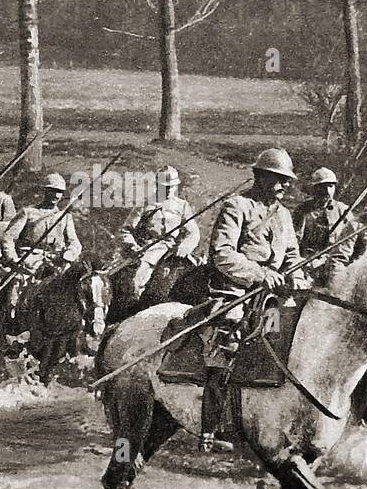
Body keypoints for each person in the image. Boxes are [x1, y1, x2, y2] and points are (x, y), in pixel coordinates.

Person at [200, 148, 304, 453]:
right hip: (234, 292)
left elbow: (293, 255)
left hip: (271, 298)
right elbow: (222, 254)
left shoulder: (284, 215)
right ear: (260, 176)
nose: (285, 185)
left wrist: (296, 276)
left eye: (287, 180)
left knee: (288, 343)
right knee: (227, 346)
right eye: (278, 179)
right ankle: (210, 430)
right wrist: (259, 274)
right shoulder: (237, 206)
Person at [119, 165, 199, 298]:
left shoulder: (182, 206)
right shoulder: (145, 205)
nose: (168, 190)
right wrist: (133, 246)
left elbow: (194, 232)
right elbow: (125, 231)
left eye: (171, 187)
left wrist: (185, 246)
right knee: (138, 282)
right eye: (164, 187)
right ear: (157, 185)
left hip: (173, 251)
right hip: (150, 250)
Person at [0, 173, 82, 275]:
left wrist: (70, 253)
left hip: (56, 262)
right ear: (45, 191)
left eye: (60, 192)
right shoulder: (28, 213)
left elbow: (74, 242)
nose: (56, 195)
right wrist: (13, 259)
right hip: (29, 262)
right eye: (53, 191)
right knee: (18, 284)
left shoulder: (64, 216)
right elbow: (8, 237)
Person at [293, 166, 352, 261]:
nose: (328, 191)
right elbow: (294, 240)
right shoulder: (303, 210)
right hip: (306, 261)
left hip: (334, 260)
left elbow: (350, 241)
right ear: (315, 188)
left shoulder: (344, 210)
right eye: (323, 187)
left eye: (331, 186)